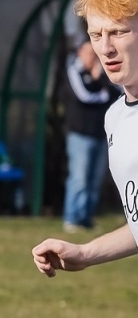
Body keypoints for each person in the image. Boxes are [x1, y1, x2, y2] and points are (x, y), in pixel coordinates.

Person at [35, 0, 138, 279]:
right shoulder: (116, 118)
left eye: (119, 32)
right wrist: (86, 253)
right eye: (97, 34)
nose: (105, 48)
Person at [61, 39, 116, 232]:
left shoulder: (102, 74)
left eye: (94, 53)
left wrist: (99, 78)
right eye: (88, 52)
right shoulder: (74, 72)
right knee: (79, 178)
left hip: (100, 135)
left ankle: (86, 219)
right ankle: (72, 218)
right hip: (80, 136)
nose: (92, 57)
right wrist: (102, 94)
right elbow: (84, 96)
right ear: (80, 53)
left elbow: (116, 94)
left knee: (94, 180)